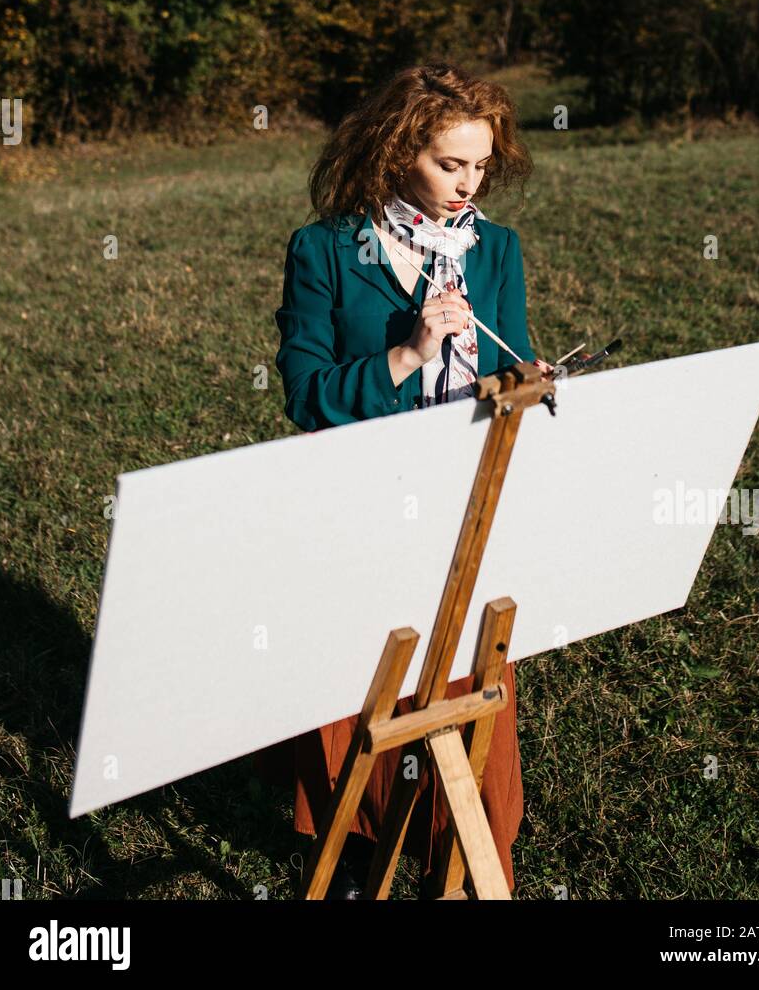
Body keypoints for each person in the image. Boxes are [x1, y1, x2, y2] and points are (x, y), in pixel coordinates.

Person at [253, 61, 554, 898]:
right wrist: (405, 355)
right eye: (449, 164)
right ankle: (350, 846)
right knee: (361, 677)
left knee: (466, 671)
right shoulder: (324, 251)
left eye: (481, 165)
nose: (468, 184)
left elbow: (510, 358)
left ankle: (453, 847)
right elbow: (308, 395)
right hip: (357, 498)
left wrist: (528, 380)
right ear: (396, 152)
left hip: (466, 499)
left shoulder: (496, 249)